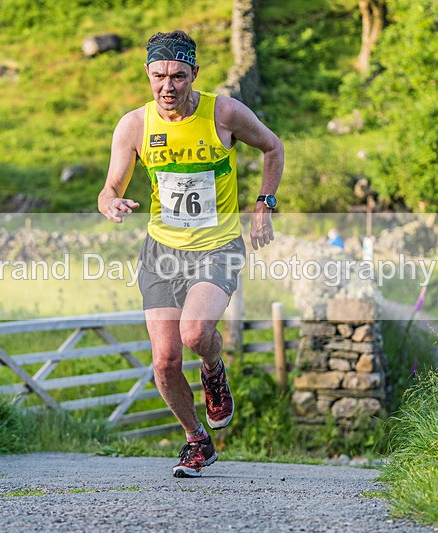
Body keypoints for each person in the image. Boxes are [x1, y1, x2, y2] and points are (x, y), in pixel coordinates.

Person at [98, 30, 284, 478]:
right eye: (159, 76)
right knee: (164, 362)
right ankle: (196, 440)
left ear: (194, 74)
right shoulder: (134, 125)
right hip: (162, 252)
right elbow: (110, 188)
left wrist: (264, 204)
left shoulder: (224, 113)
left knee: (197, 332)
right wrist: (110, 202)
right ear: (147, 74)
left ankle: (214, 369)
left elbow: (273, 147)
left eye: (178, 76)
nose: (168, 86)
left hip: (217, 247)